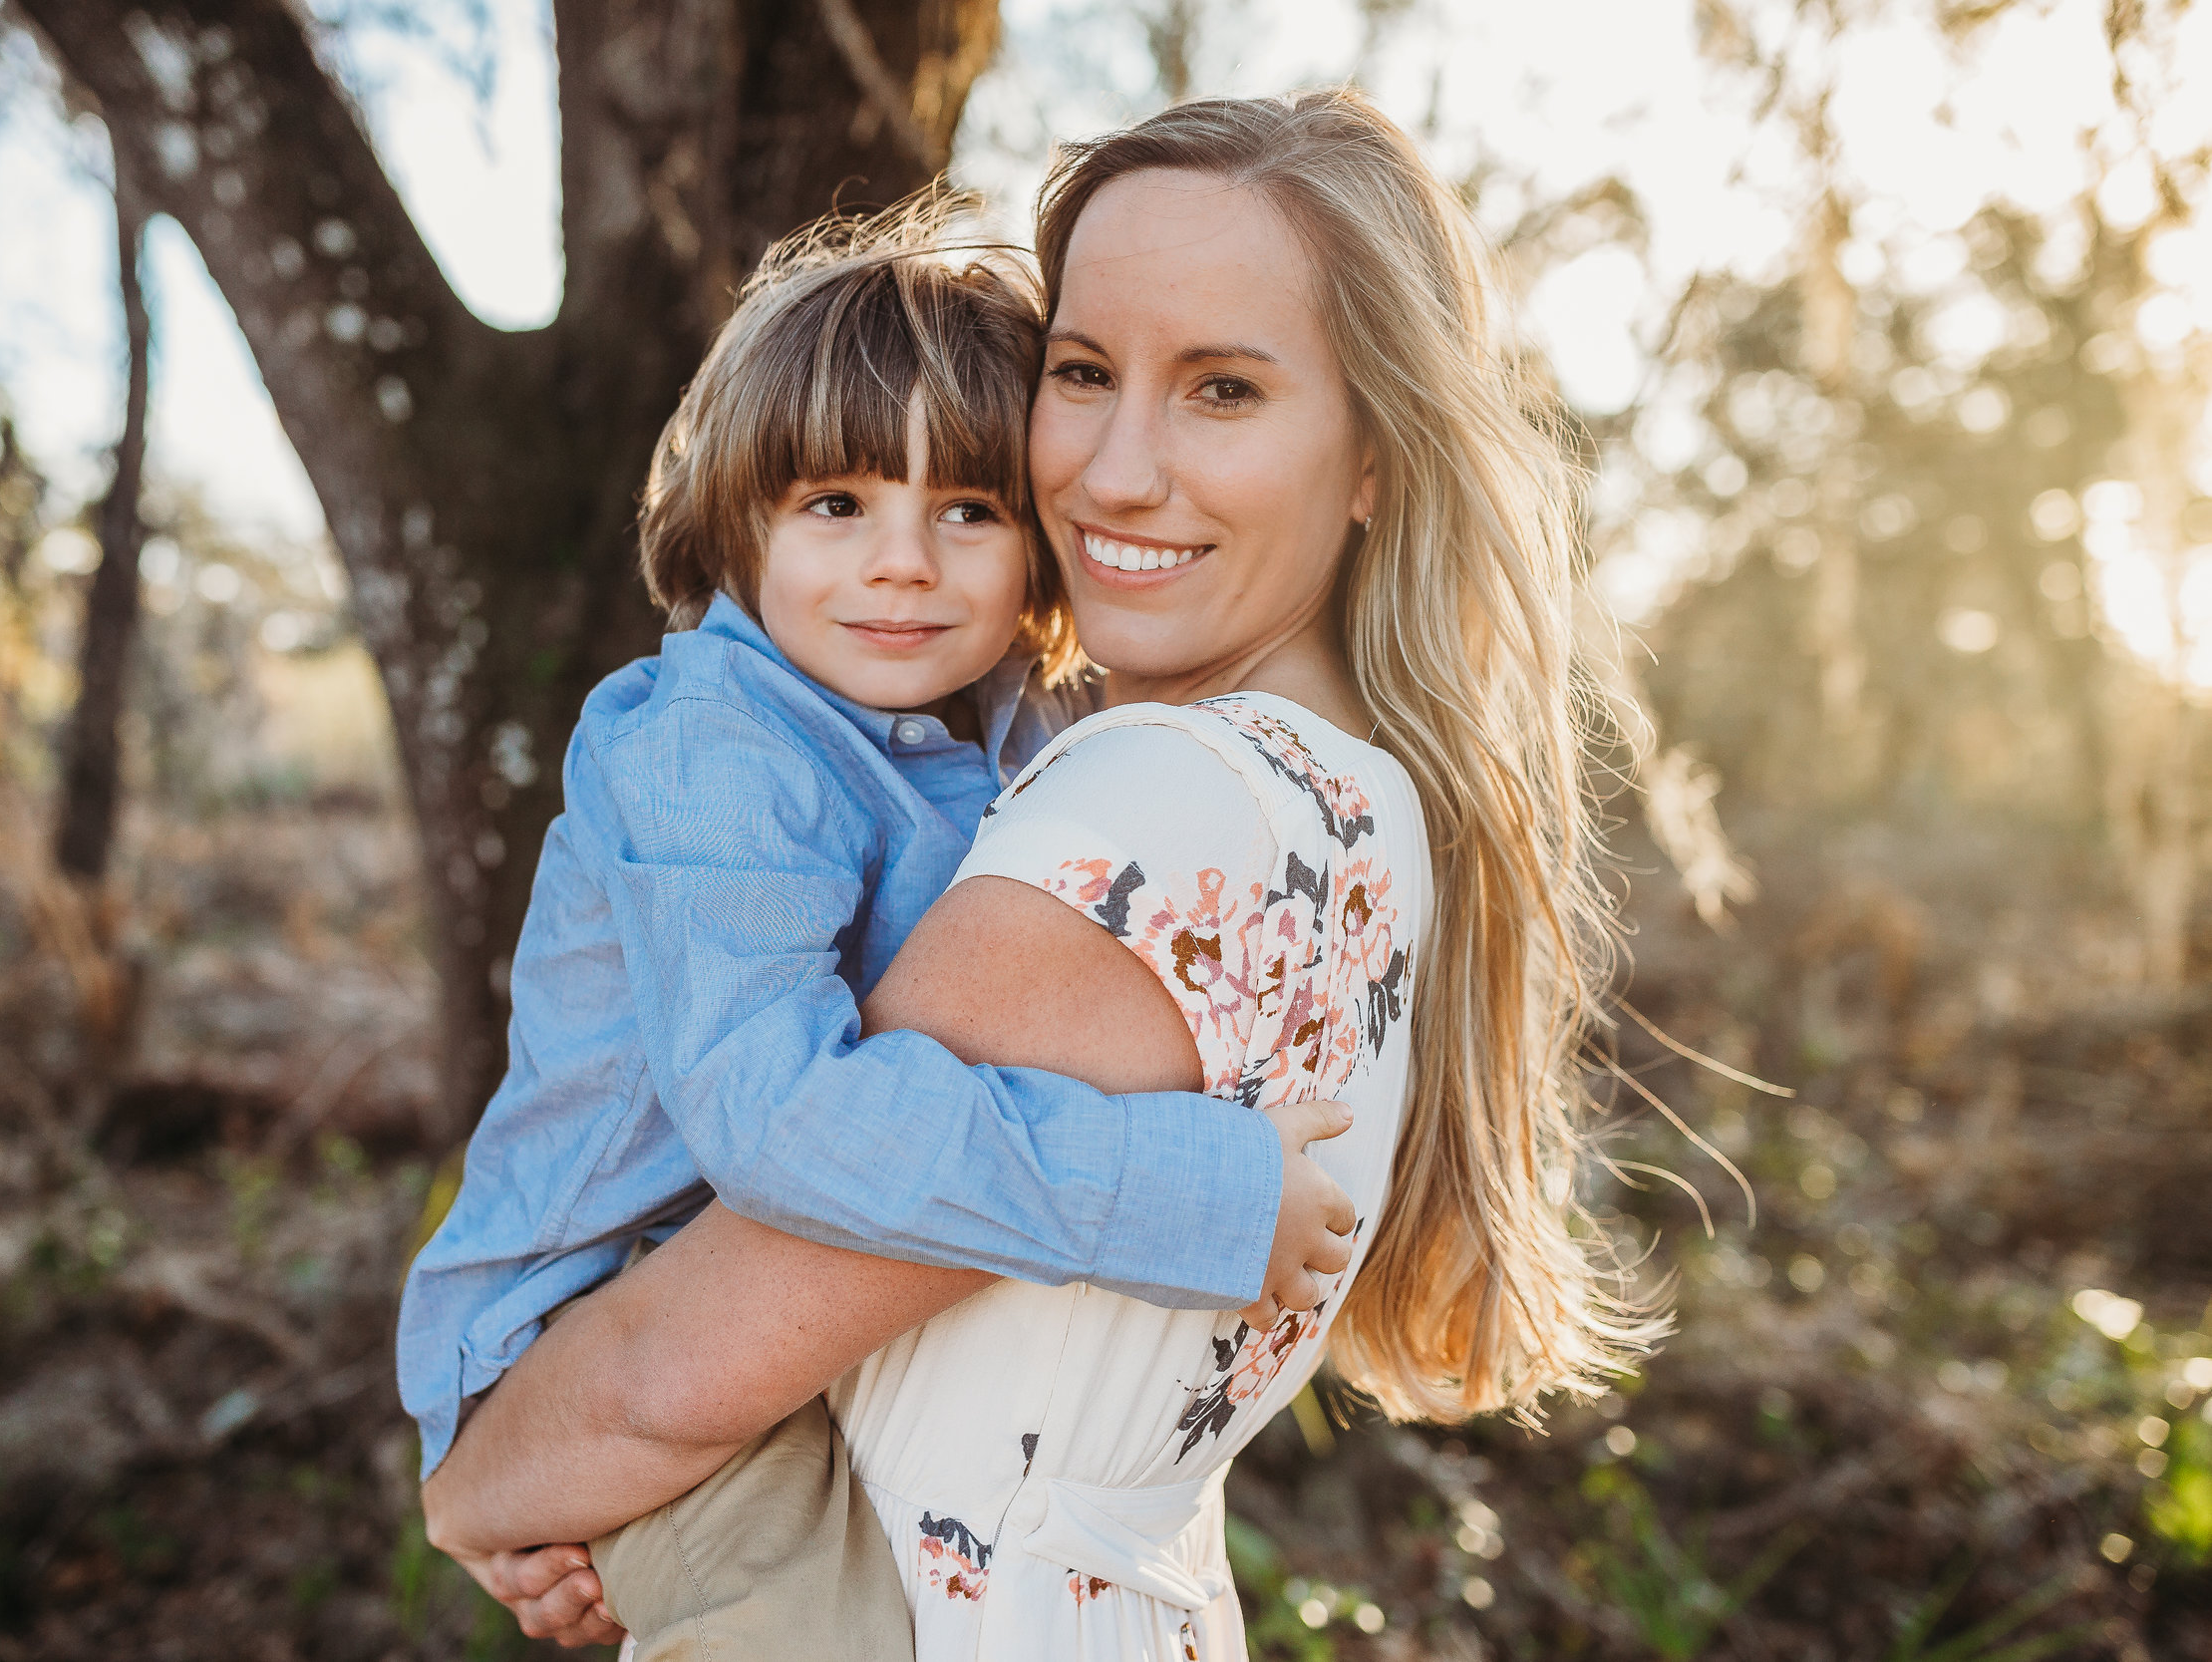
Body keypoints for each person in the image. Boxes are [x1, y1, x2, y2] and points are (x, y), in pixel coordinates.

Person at [429, 89, 1665, 1658]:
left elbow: (666, 1376)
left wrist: (477, 1494)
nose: (1119, 471)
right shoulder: (1354, 807)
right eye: (1083, 373)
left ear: (1377, 458)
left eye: (1223, 389)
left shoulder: (1150, 810)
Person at [405, 199, 1359, 1660]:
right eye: (838, 504)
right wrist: (1188, 1193)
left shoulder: (991, 717)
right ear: (741, 520)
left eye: (968, 511)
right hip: (586, 1306)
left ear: (1038, 550)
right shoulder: (719, 749)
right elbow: (780, 1122)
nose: (904, 563)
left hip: (766, 1316)